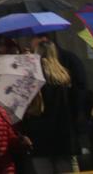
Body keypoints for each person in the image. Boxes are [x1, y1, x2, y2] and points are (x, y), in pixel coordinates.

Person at [19, 41, 80, 173]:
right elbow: (75, 105)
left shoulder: (33, 78)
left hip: (39, 136)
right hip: (64, 135)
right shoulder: (65, 77)